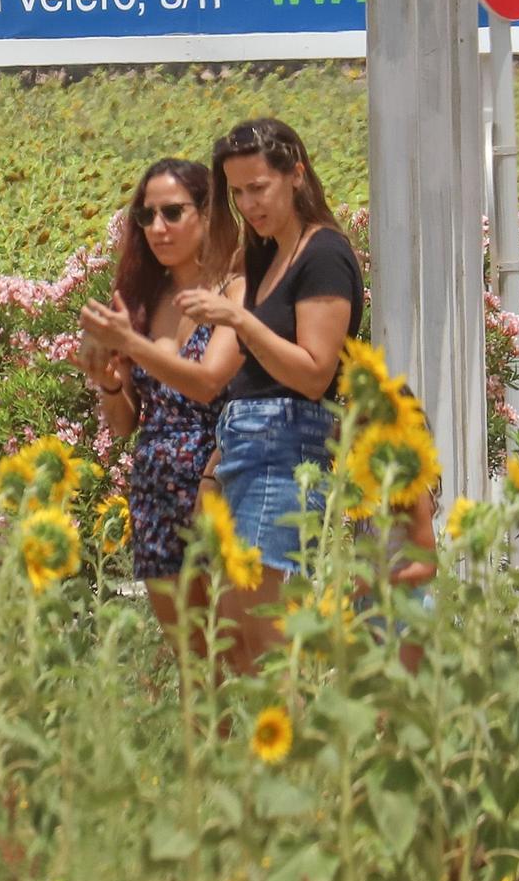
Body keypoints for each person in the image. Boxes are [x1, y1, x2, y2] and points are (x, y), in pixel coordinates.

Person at [172, 118, 362, 674]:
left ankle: (295, 756)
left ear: (296, 175)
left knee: (267, 641)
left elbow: (313, 373)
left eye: (259, 187)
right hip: (244, 448)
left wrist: (239, 318)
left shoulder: (322, 254)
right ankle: (258, 756)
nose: (248, 204)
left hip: (287, 449)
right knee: (233, 636)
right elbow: (231, 378)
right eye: (236, 191)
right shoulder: (264, 256)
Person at [76, 159, 245, 657]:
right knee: (189, 658)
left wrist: (129, 341)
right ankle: (198, 738)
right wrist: (107, 383)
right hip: (155, 486)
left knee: (236, 649)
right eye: (146, 216)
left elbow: (207, 385)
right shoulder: (138, 298)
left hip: (221, 481)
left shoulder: (232, 291)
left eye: (172, 212)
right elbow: (127, 421)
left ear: (207, 213)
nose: (158, 228)